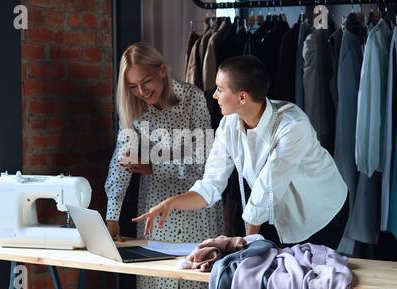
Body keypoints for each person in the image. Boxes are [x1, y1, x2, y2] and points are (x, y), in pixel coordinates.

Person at [134, 55, 349, 250]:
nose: (214, 94)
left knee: (307, 286)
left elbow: (265, 191)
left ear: (242, 97)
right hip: (274, 216)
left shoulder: (293, 126)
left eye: (220, 88)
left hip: (321, 215)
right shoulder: (228, 125)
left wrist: (244, 250)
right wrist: (170, 203)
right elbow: (211, 184)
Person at [104, 42, 224, 289]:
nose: (141, 91)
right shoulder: (132, 107)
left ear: (161, 71)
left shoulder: (193, 99)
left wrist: (152, 167)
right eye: (132, 86)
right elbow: (121, 163)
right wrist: (112, 215)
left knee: (196, 288)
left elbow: (203, 162)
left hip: (197, 207)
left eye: (145, 81)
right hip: (154, 211)